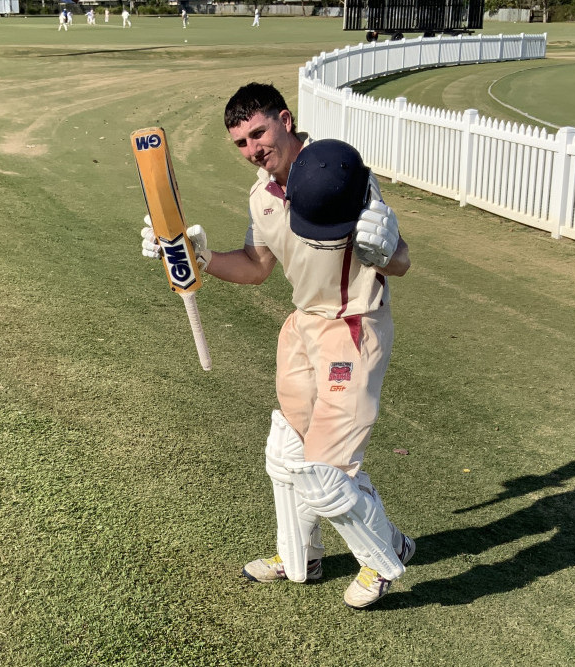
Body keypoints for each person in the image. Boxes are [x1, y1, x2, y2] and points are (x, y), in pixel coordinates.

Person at [139, 83, 413, 609]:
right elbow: (257, 266)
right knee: (286, 456)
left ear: (285, 120)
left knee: (326, 472)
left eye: (259, 132)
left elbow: (397, 257)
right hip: (303, 327)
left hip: (353, 326)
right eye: (240, 142)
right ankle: (299, 555)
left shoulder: (338, 170)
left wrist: (386, 248)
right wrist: (195, 256)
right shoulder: (261, 195)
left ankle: (385, 557)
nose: (253, 150)